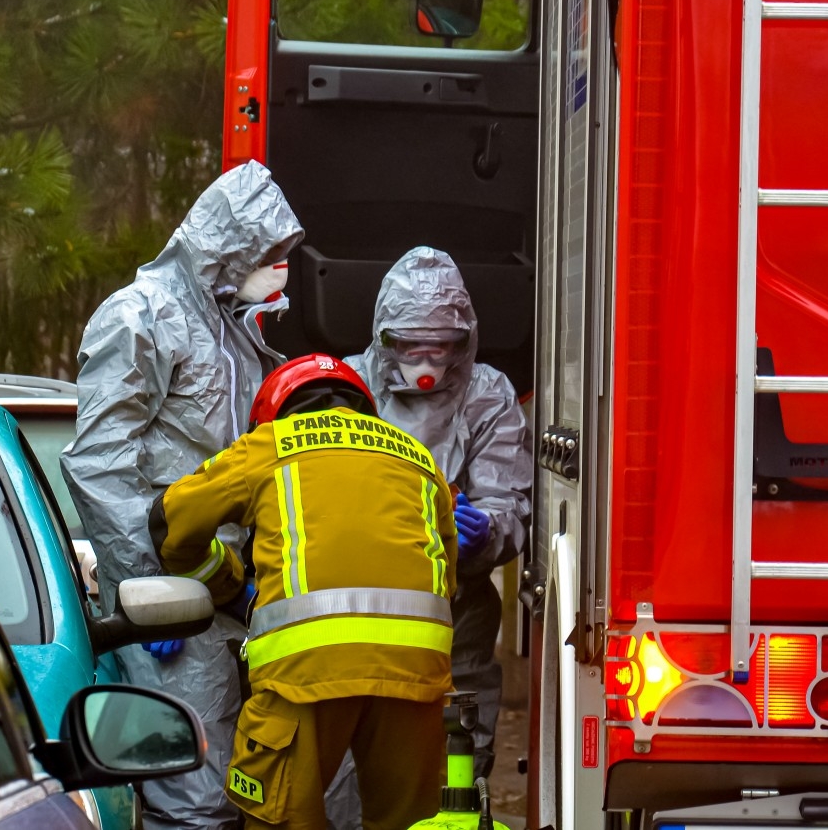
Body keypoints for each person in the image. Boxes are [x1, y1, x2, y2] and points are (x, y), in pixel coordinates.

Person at [61, 160, 303, 830]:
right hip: (170, 597)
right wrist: (148, 595)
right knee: (192, 802)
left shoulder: (234, 331)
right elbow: (101, 464)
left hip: (228, 595)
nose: (279, 268)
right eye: (270, 253)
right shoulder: (140, 316)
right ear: (226, 244)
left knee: (238, 796)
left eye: (284, 255)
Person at [150, 354, 458, 830]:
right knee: (415, 823)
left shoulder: (269, 444)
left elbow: (170, 521)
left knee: (282, 818)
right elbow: (446, 579)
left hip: (305, 673)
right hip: (416, 674)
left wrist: (227, 585)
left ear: (274, 412)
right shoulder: (418, 456)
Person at [348, 246, 532, 781]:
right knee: (353, 761)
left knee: (456, 756)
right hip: (360, 602)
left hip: (455, 609)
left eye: (441, 348)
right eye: (411, 347)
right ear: (385, 338)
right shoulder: (348, 387)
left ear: (464, 341)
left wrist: (487, 531)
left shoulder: (487, 394)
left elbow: (506, 496)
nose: (426, 366)